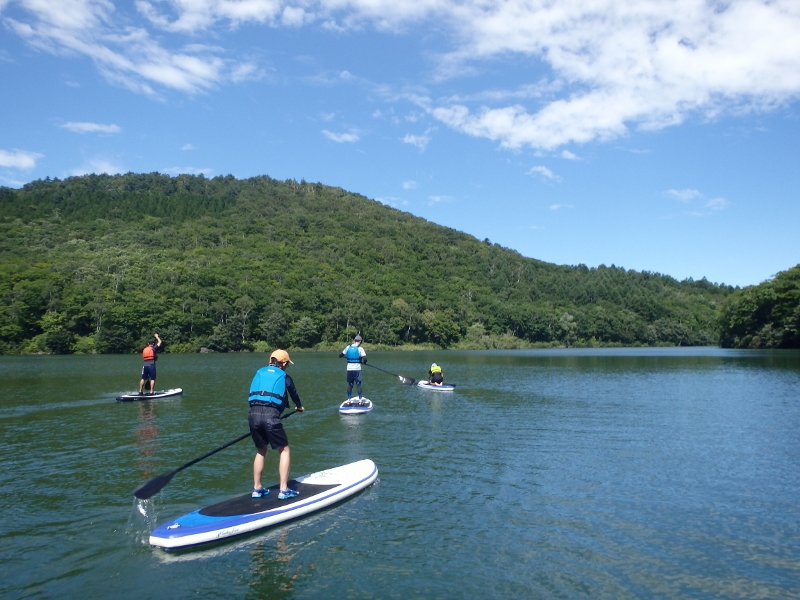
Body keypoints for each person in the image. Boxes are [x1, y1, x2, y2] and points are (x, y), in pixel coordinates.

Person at [248, 349, 305, 500]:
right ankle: (284, 490)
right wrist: (299, 407)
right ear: (284, 363)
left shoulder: (259, 372)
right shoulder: (284, 376)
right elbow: (293, 392)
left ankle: (257, 488)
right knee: (284, 450)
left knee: (261, 449)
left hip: (253, 414)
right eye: (288, 364)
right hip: (270, 416)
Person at [339, 334, 367, 405]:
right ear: (360, 341)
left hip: (349, 370)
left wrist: (342, 356)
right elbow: (365, 359)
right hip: (357, 369)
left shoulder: (348, 347)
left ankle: (348, 400)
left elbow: (341, 355)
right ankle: (360, 401)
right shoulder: (360, 349)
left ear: (354, 341)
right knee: (358, 384)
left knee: (350, 384)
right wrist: (364, 362)